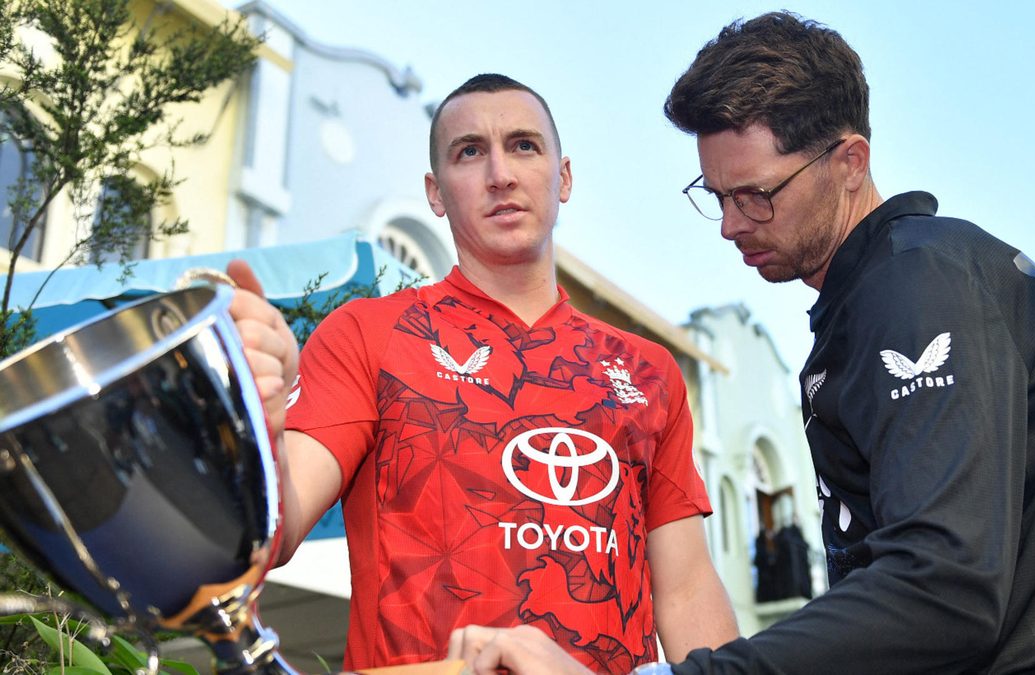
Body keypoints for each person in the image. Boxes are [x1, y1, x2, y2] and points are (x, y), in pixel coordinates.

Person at [448, 12, 1035, 675]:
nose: (732, 224)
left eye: (757, 194)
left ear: (850, 161)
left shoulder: (918, 283)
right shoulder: (898, 287)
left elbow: (946, 587)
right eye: (716, 195)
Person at [226, 73, 738, 672]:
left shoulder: (648, 371)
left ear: (563, 177)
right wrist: (251, 429)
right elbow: (271, 538)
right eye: (469, 152)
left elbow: (685, 589)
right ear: (435, 192)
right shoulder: (367, 334)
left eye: (524, 145)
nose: (501, 174)